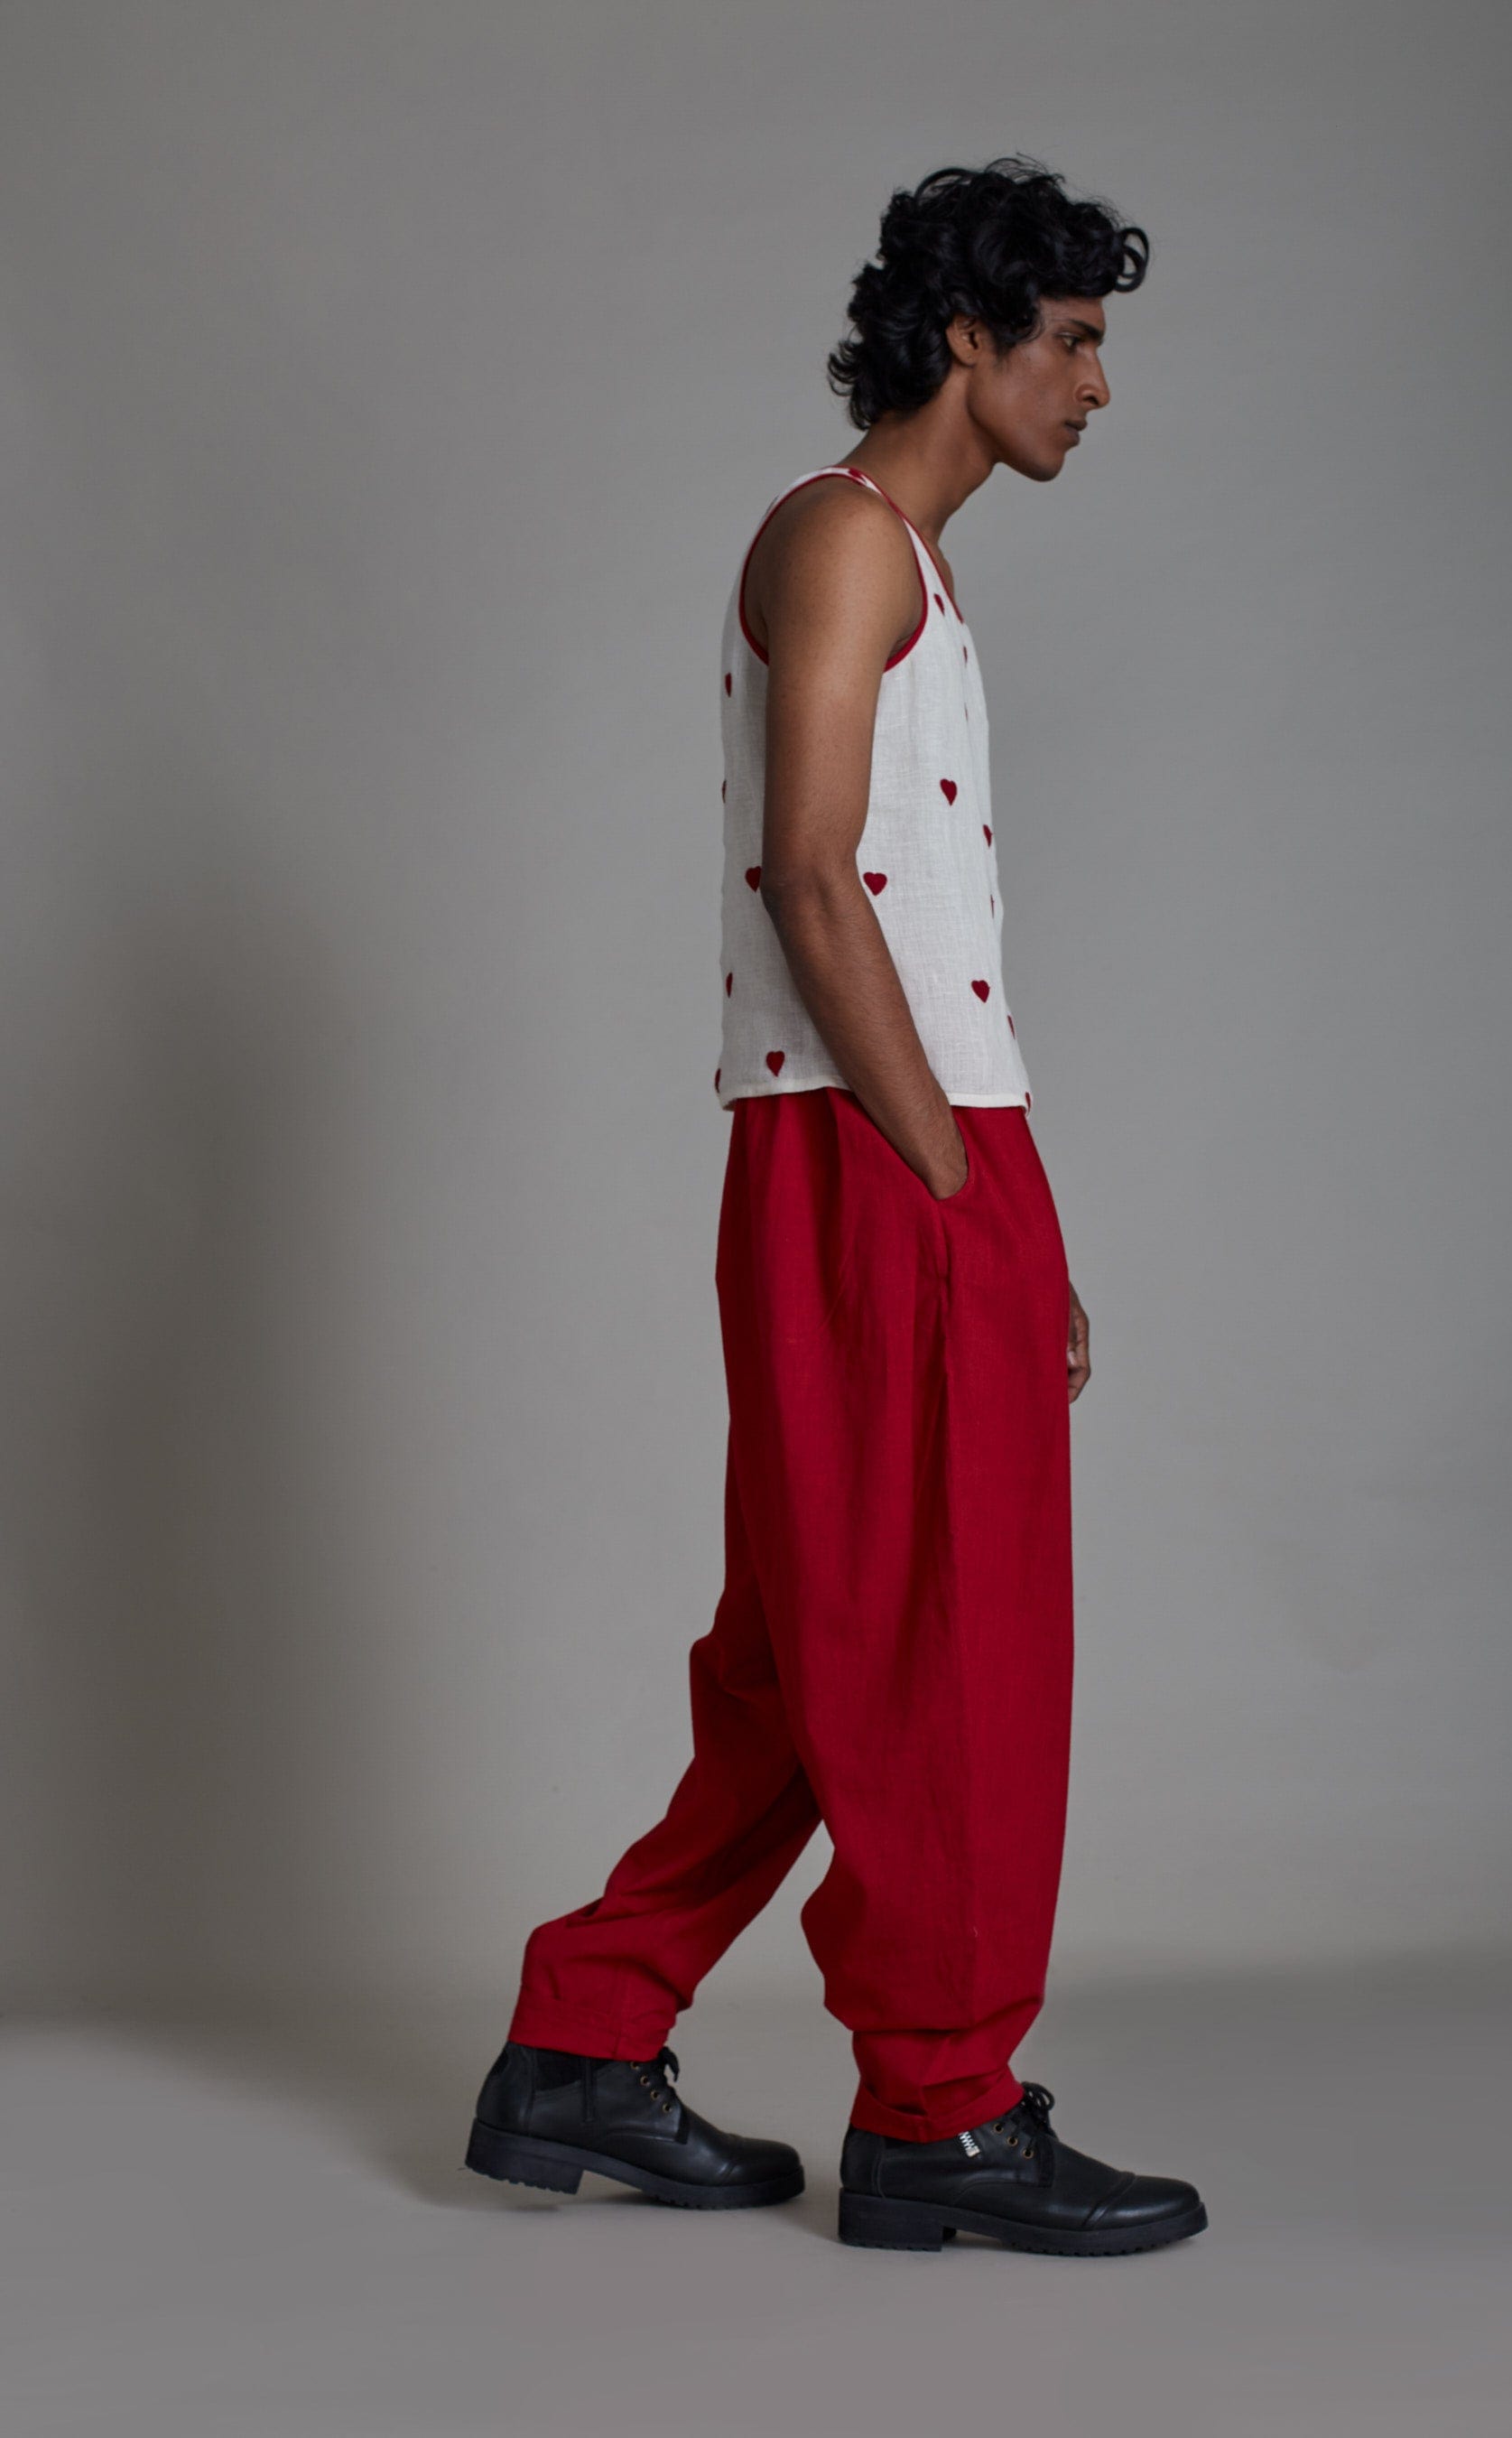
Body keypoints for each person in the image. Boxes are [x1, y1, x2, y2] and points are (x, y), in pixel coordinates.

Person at [465, 155, 1208, 2257]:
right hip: (876, 1142)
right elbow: (811, 873)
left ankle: (584, 2038)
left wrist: (1017, 1207)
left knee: (821, 1650)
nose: (1096, 385)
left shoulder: (903, 563)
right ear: (966, 337)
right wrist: (958, 1185)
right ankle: (943, 2115)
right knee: (953, 1644)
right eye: (1071, 340)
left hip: (918, 1126)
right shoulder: (847, 540)